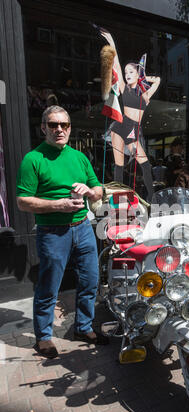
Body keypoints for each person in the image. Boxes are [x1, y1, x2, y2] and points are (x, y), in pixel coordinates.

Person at [16, 105, 108, 359]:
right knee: (49, 286)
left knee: (90, 280)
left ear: (70, 128)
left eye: (64, 125)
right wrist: (59, 205)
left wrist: (90, 192)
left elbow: (99, 189)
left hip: (83, 228)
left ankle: (84, 328)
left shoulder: (79, 157)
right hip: (52, 231)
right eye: (53, 125)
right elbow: (23, 201)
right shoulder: (33, 159)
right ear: (43, 127)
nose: (59, 130)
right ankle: (43, 337)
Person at [100, 28, 161, 202]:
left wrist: (143, 78)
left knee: (145, 165)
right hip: (120, 125)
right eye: (126, 73)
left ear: (138, 74)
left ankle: (152, 198)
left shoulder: (145, 95)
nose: (127, 75)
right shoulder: (123, 89)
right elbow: (116, 64)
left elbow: (157, 80)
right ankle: (118, 199)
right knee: (119, 166)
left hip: (133, 128)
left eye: (131, 72)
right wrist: (111, 41)